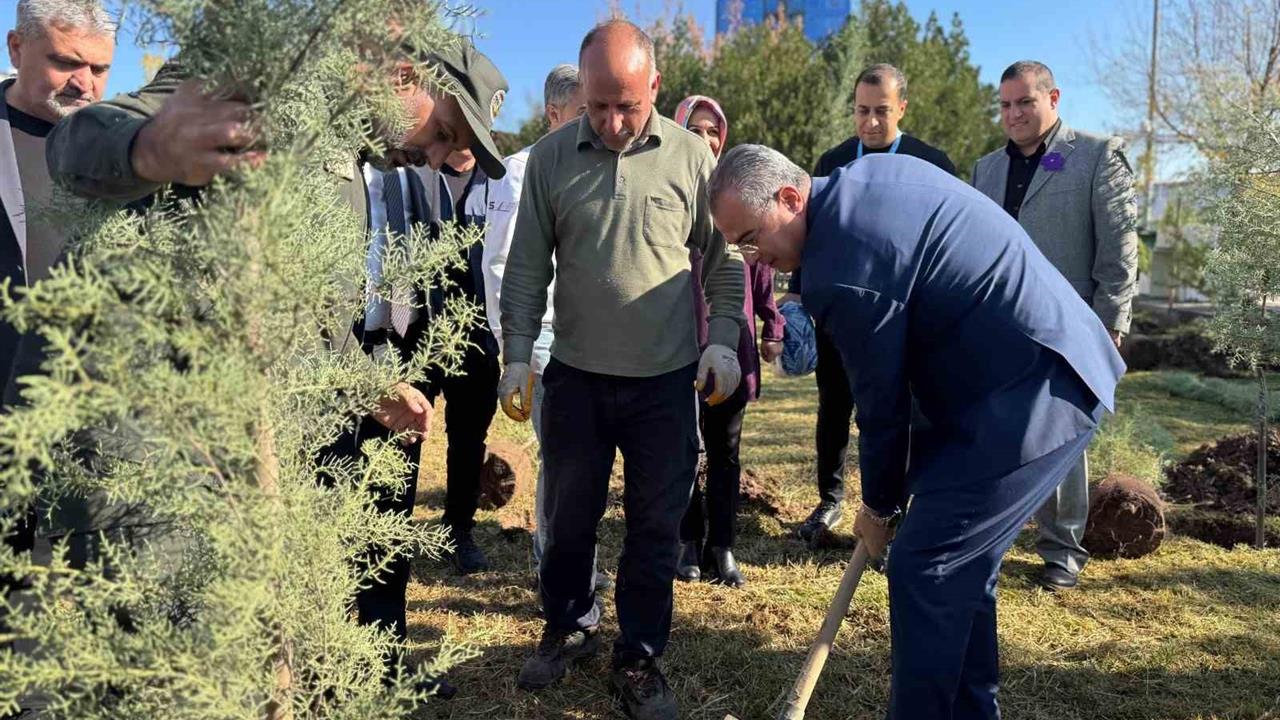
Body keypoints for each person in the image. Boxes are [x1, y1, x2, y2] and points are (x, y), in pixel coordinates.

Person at [27, 35, 510, 700]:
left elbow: (300, 305)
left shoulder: (350, 160)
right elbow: (77, 140)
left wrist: (364, 381)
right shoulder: (265, 79)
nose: (430, 157)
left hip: (243, 453)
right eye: (442, 132)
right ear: (404, 74)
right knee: (164, 677)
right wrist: (152, 149)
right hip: (156, 448)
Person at [706, 143, 1125, 720]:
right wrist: (900, 493)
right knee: (956, 565)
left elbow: (881, 405)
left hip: (1036, 389)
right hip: (1002, 380)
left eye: (751, 238)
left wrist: (879, 507)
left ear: (789, 197)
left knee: (926, 567)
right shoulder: (861, 180)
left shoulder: (841, 271)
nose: (754, 258)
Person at [497, 20, 745, 720]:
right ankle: (570, 621)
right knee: (567, 516)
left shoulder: (694, 159)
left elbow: (724, 265)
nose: (609, 121)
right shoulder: (550, 159)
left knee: (654, 528)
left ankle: (638, 656)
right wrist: (518, 355)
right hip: (575, 375)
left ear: (655, 89)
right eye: (597, 104)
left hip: (666, 382)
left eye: (626, 106)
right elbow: (524, 271)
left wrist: (722, 340)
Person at [971, 60, 1139, 591]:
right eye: (1005, 104)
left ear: (1054, 98)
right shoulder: (986, 170)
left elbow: (1120, 253)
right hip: (1000, 324)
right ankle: (994, 536)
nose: (1014, 113)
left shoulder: (1095, 155)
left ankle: (1062, 550)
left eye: (1025, 102)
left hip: (1071, 325)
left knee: (1060, 438)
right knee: (999, 432)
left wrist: (1110, 324)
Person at [787, 63, 956, 544]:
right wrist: (798, 295)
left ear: (902, 107)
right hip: (840, 313)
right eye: (862, 111)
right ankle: (830, 500)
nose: (871, 122)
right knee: (834, 406)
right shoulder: (832, 161)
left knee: (895, 411)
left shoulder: (931, 163)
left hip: (906, 315)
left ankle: (895, 506)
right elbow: (808, 234)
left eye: (882, 111)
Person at [671, 95, 783, 589]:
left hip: (730, 345)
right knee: (681, 449)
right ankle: (687, 542)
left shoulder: (740, 195)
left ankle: (724, 546)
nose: (706, 138)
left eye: (714, 130)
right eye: (695, 128)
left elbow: (760, 274)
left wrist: (772, 325)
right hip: (676, 344)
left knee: (726, 449)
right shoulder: (669, 193)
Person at [482, 63, 586, 573]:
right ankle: (555, 560)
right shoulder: (516, 173)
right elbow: (499, 264)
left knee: (579, 455)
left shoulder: (587, 168)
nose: (595, 122)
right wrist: (514, 348)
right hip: (541, 337)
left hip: (584, 336)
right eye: (584, 111)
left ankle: (569, 558)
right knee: (562, 453)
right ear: (553, 113)